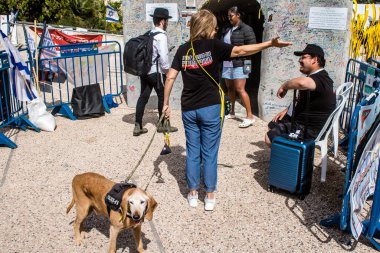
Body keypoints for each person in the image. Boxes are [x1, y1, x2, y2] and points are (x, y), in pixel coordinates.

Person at [162, 9, 291, 211]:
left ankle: (193, 193)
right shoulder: (214, 46)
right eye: (213, 27)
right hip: (211, 107)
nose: (215, 30)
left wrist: (165, 103)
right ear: (207, 27)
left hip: (189, 108)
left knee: (193, 151)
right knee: (210, 153)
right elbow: (241, 51)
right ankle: (210, 196)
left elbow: (170, 77)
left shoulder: (183, 49)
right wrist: (270, 44)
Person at [265, 44, 336, 146]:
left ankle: (290, 159)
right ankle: (285, 155)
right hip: (302, 121)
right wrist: (287, 110)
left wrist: (284, 86)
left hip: (310, 129)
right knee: (272, 125)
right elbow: (307, 99)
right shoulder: (317, 77)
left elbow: (301, 83)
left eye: (303, 57)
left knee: (269, 138)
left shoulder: (321, 79)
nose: (299, 60)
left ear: (314, 60)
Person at [133, 8, 178, 136]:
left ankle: (137, 125)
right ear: (163, 21)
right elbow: (163, 58)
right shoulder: (161, 36)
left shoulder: (149, 33)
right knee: (163, 97)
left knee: (143, 97)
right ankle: (163, 125)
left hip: (144, 71)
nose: (167, 23)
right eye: (167, 21)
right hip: (156, 73)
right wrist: (167, 72)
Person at [221, 6, 256, 128]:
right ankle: (231, 112)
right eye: (228, 16)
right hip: (227, 63)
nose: (229, 18)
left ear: (238, 15)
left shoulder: (246, 29)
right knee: (230, 88)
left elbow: (253, 48)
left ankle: (250, 116)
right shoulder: (227, 29)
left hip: (241, 62)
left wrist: (238, 52)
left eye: (231, 16)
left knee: (240, 89)